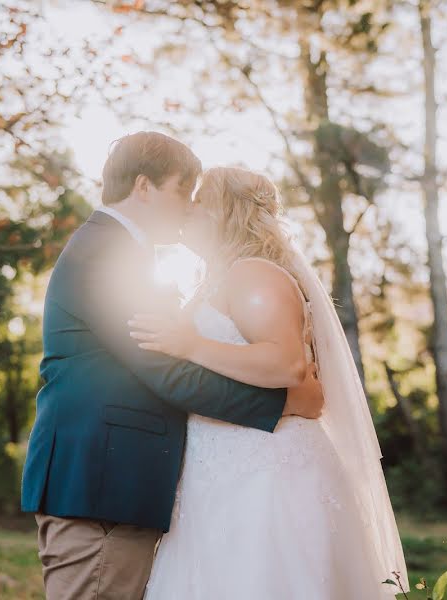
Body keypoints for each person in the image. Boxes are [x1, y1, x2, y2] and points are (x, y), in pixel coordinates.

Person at [20, 133, 324, 600]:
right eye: (183, 191)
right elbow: (167, 371)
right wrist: (282, 404)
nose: (187, 208)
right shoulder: (108, 255)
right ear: (144, 187)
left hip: (117, 484)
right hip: (102, 484)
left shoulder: (123, 253)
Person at [133, 166, 409, 599]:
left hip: (266, 472)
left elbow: (285, 364)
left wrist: (189, 344)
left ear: (228, 212)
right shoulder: (216, 282)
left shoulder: (254, 274)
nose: (189, 210)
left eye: (201, 201)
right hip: (219, 471)